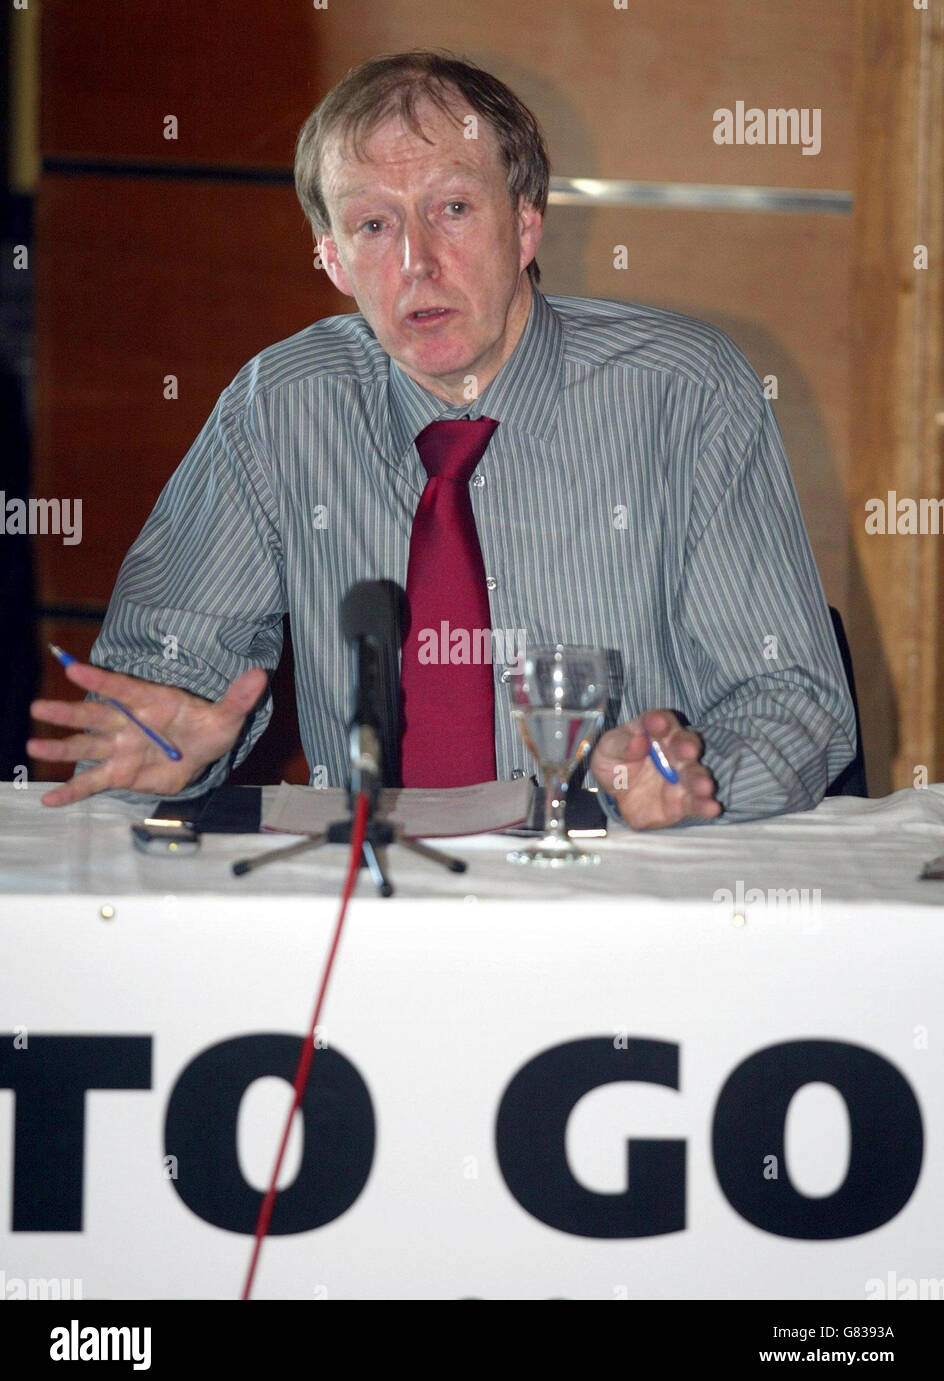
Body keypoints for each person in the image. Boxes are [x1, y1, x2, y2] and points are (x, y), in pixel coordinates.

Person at [28, 51, 856, 830]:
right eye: (375, 227)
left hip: (618, 892)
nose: (418, 263)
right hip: (370, 900)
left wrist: (692, 777)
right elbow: (166, 685)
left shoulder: (685, 392)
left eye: (452, 210)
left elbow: (791, 698)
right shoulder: (278, 408)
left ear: (526, 225)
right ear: (333, 261)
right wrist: (167, 743)